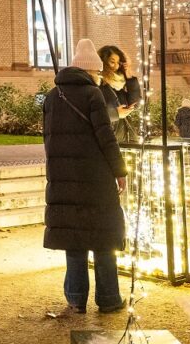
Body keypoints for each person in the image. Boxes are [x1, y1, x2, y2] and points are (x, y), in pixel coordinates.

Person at [42, 38, 127, 315]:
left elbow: (48, 140)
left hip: (63, 178)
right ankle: (109, 298)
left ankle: (76, 298)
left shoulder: (53, 97)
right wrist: (120, 171)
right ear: (91, 70)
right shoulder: (93, 96)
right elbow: (106, 138)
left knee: (74, 240)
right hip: (95, 177)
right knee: (104, 238)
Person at [97, 44, 142, 143]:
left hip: (126, 138)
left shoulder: (119, 84)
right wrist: (115, 114)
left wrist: (129, 76)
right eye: (112, 62)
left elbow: (135, 104)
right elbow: (93, 113)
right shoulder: (98, 84)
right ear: (103, 62)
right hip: (108, 140)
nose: (116, 66)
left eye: (118, 63)